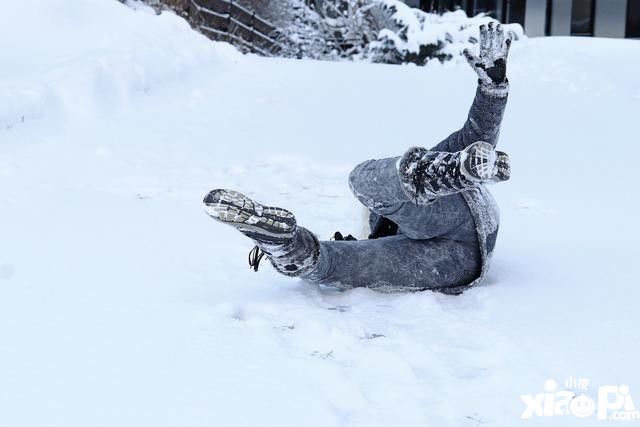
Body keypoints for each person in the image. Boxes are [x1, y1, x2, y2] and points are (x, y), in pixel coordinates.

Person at [203, 23, 512, 294]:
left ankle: (436, 174)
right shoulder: (386, 234)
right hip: (457, 258)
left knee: (366, 186)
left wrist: (493, 91)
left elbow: (475, 139)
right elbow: (478, 140)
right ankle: (285, 248)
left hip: (460, 220)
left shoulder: (395, 207)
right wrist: (493, 89)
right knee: (343, 260)